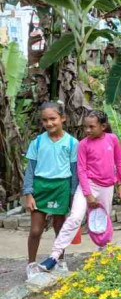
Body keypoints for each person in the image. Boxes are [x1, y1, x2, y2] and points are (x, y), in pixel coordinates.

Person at [38, 110, 121, 272]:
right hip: (88, 185)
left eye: (91, 127)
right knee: (74, 218)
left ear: (103, 126)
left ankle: (104, 253)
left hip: (107, 187)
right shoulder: (83, 144)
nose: (87, 130)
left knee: (102, 222)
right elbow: (81, 171)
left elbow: (119, 162)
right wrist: (88, 194)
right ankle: (54, 256)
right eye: (85, 127)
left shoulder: (112, 139)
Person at [23, 102, 79, 277]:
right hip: (41, 187)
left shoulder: (72, 142)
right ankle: (31, 264)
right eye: (45, 120)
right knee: (36, 230)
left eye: (53, 119)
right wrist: (29, 193)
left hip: (61, 187)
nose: (49, 123)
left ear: (63, 118)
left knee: (60, 227)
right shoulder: (37, 142)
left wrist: (73, 196)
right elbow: (30, 170)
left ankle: (60, 260)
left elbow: (74, 172)